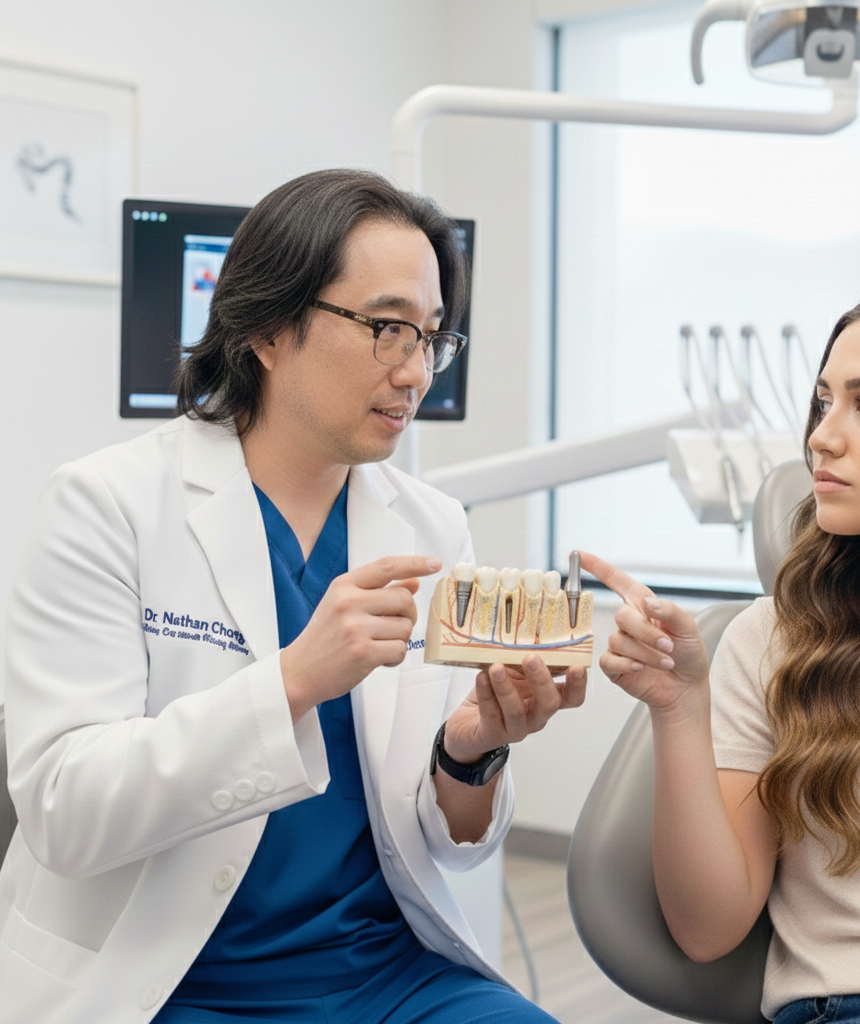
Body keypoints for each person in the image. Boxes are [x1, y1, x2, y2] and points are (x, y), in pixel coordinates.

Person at [0, 168, 585, 1024]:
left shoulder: (431, 526)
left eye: (432, 337)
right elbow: (64, 812)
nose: (416, 370)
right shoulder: (104, 505)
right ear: (268, 329)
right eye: (387, 329)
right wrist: (294, 680)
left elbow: (444, 843)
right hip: (168, 978)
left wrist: (470, 751)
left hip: (388, 971)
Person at [582, 288, 860, 1024]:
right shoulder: (771, 641)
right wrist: (680, 710)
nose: (822, 436)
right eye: (823, 402)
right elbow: (708, 930)